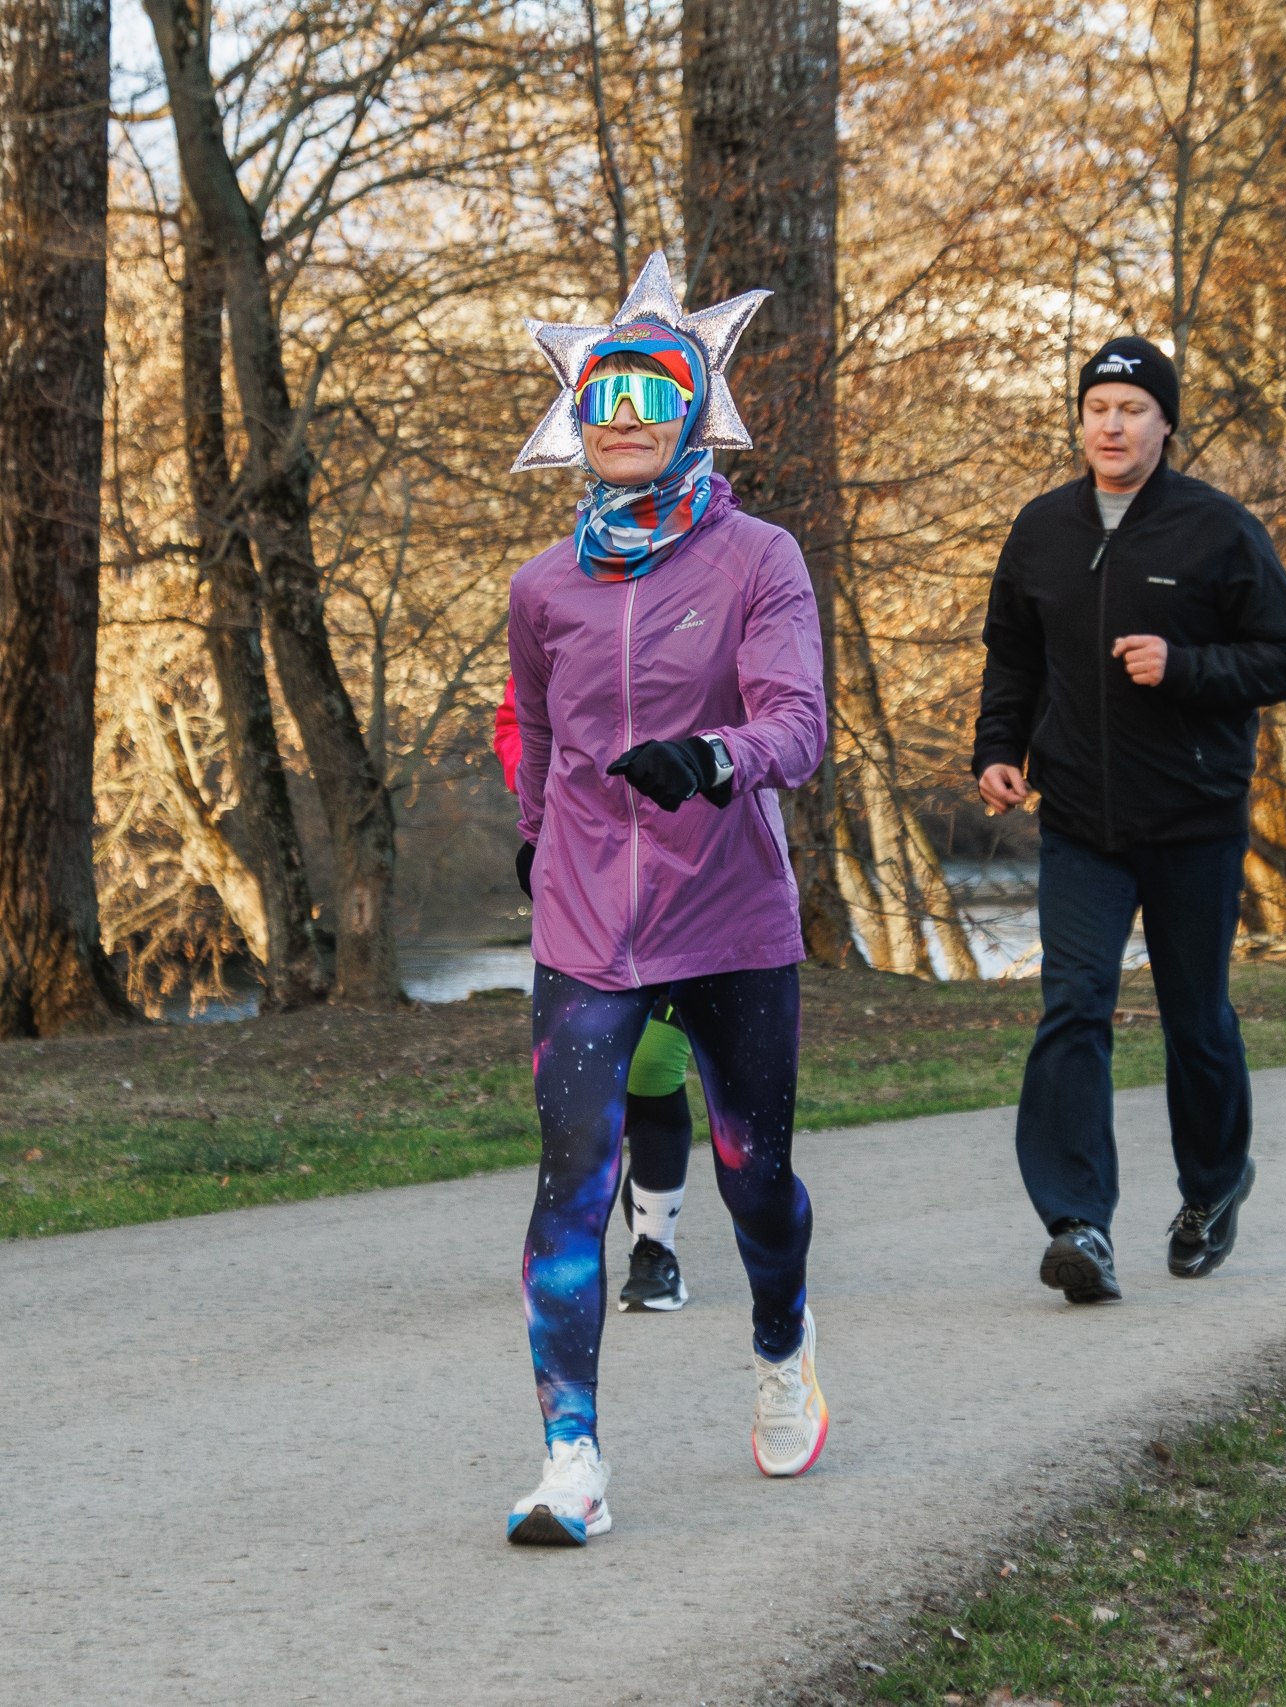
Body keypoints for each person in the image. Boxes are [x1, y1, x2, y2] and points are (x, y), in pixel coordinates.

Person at [501, 252, 829, 1547]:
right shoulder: (543, 586)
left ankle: (782, 1343)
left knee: (756, 1176)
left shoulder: (759, 559)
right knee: (572, 1183)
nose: (624, 415)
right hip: (587, 921)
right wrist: (536, 839)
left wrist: (714, 759)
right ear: (575, 417)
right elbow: (537, 727)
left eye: (651, 392)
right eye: (602, 393)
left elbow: (798, 724)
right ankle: (570, 1457)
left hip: (730, 909)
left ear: (694, 408)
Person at [972, 335, 1286, 1306]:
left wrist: (1186, 666)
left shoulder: (1217, 530)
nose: (1112, 426)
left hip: (1193, 817)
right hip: (1080, 817)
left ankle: (1212, 1188)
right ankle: (1077, 1223)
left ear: (1165, 424)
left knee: (1194, 1018)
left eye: (1131, 410)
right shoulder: (1042, 529)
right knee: (1073, 1006)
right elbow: (1012, 656)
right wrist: (998, 749)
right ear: (1080, 422)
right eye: (1097, 409)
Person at [497, 677, 695, 1312]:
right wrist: (551, 781)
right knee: (587, 1079)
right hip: (585, 875)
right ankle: (589, 1236)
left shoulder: (707, 621)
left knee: (652, 1066)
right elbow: (517, 722)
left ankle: (655, 1250)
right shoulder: (560, 625)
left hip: (691, 878)